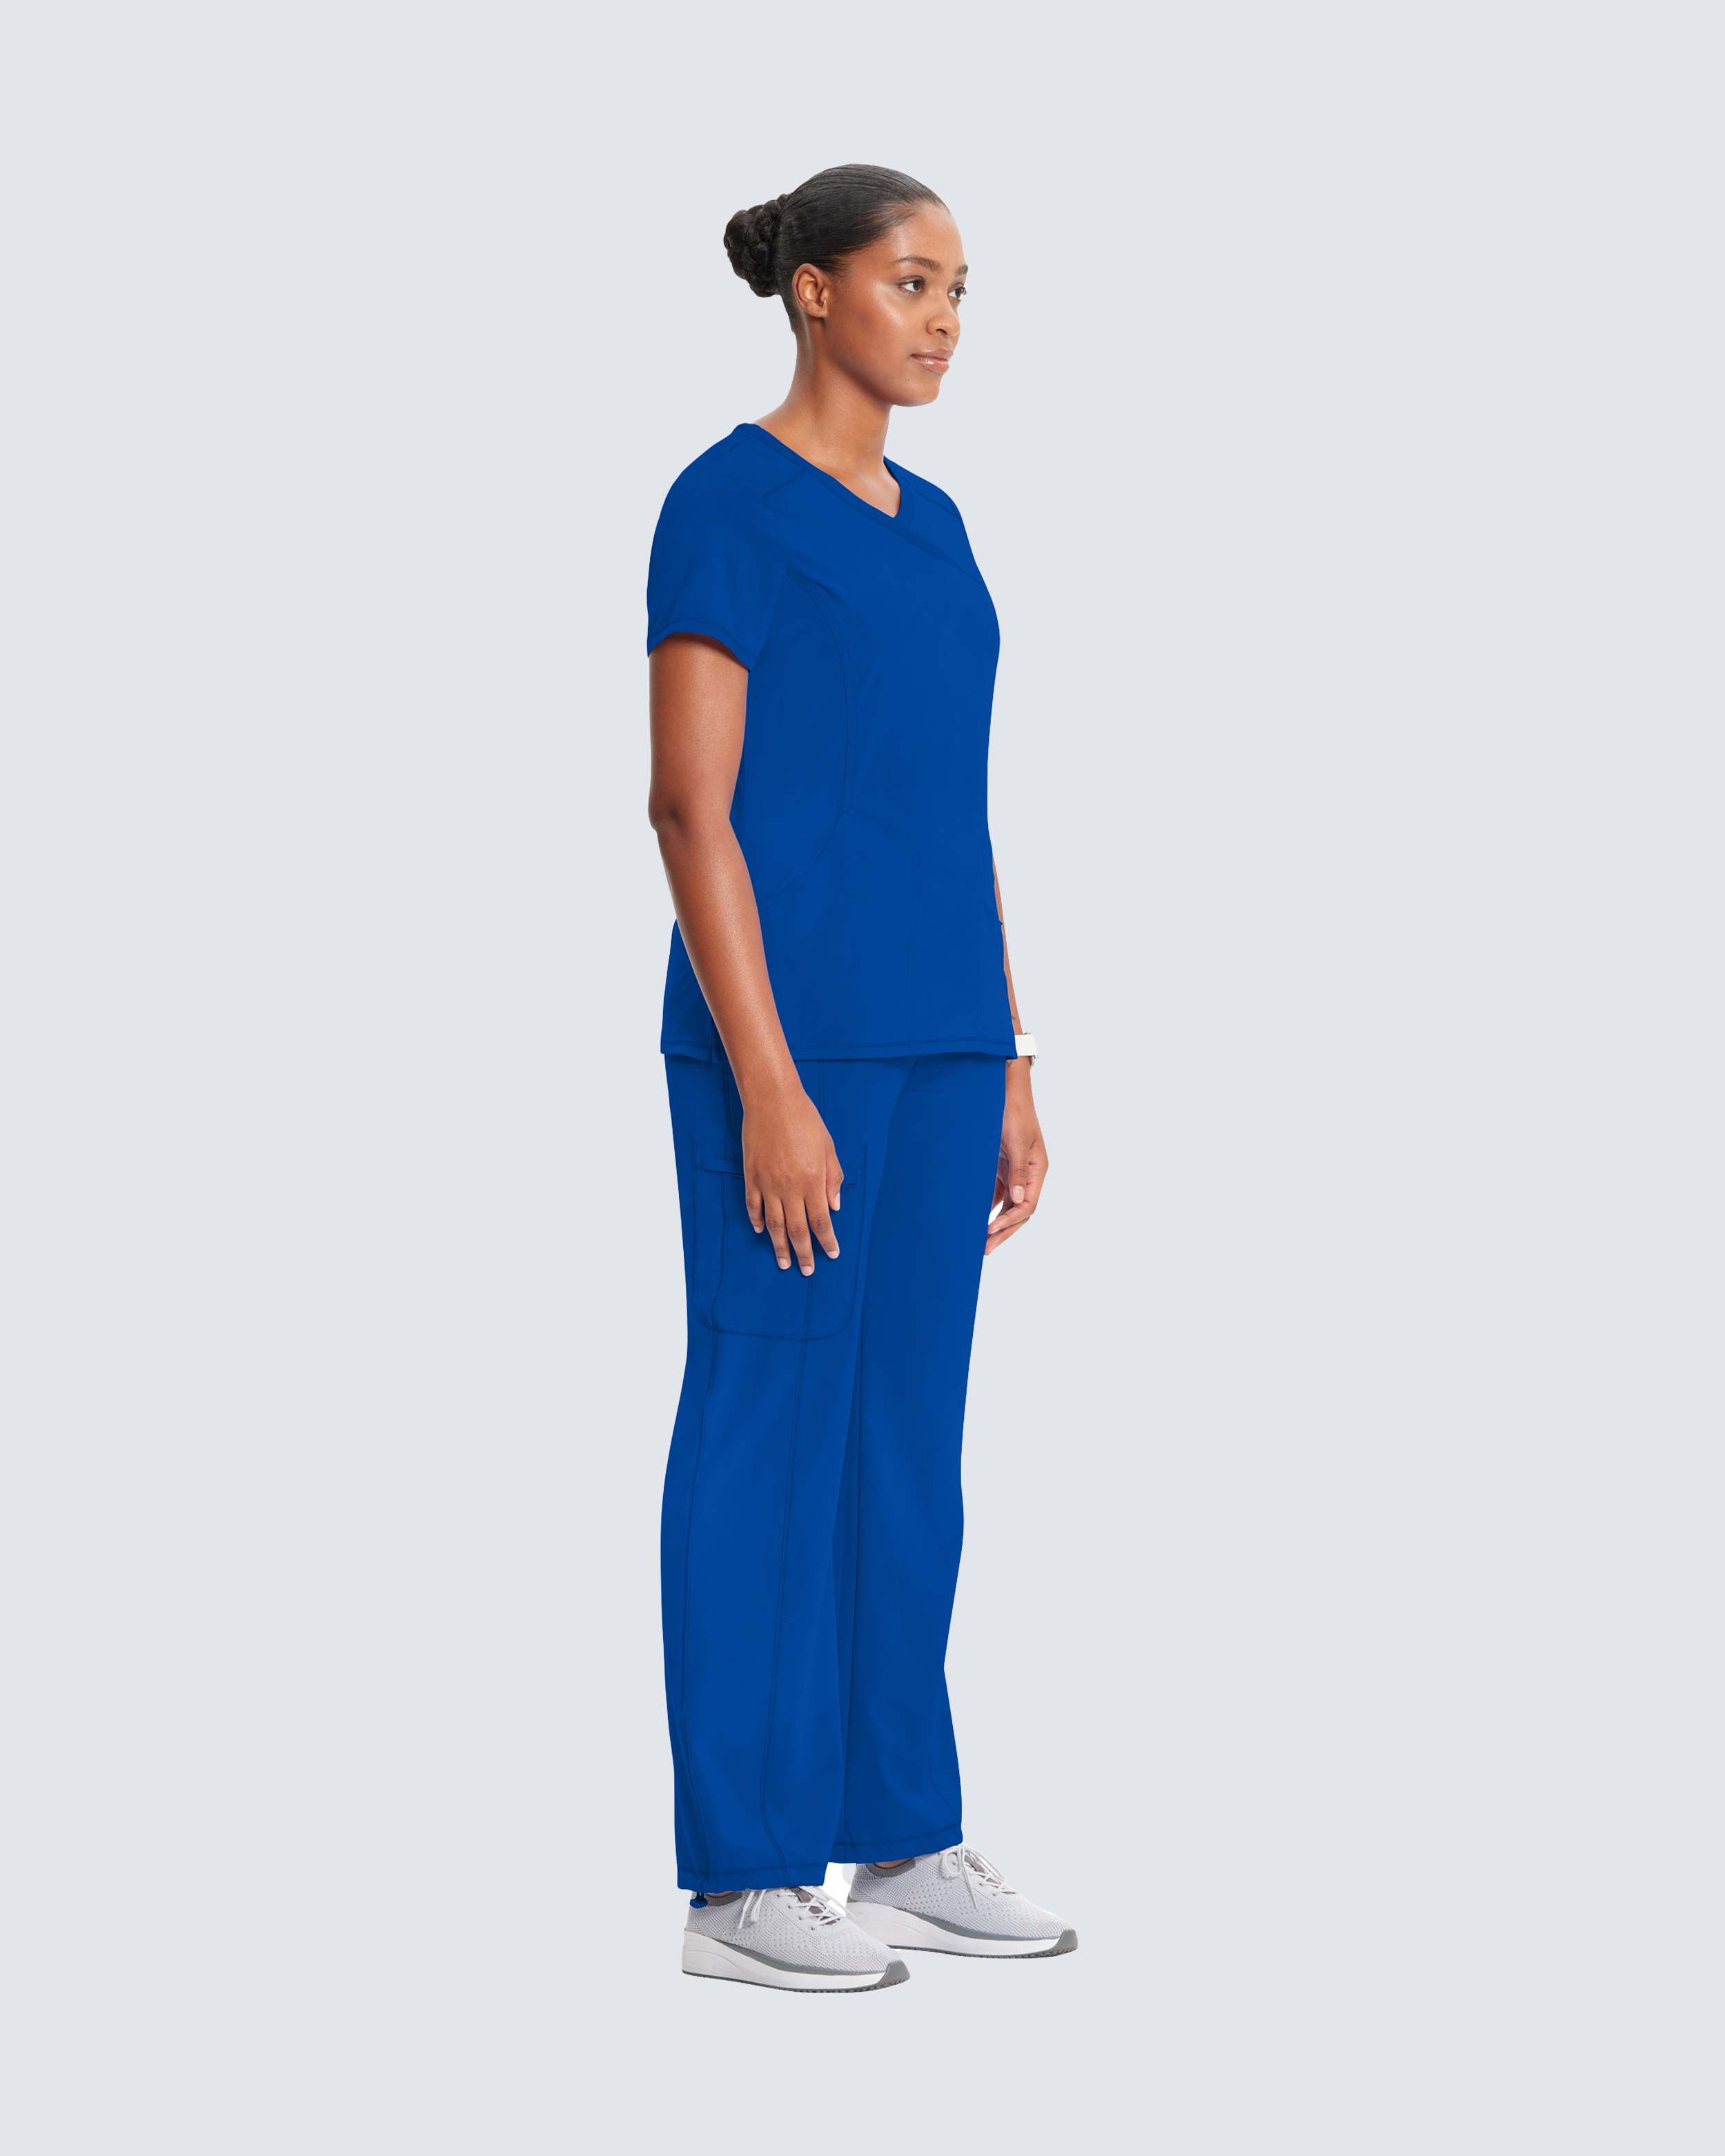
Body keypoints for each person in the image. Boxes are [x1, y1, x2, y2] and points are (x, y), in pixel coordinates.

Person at [646, 165, 1075, 1995]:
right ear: (813, 291)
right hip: (793, 1052)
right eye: (911, 281)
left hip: (942, 1037)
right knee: (770, 1429)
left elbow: (943, 801)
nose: (943, 318)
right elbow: (690, 810)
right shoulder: (726, 505)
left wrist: (1010, 1052)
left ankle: (898, 1834)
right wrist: (766, 1083)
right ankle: (741, 1881)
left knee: (906, 1451)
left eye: (960, 288)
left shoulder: (940, 522)